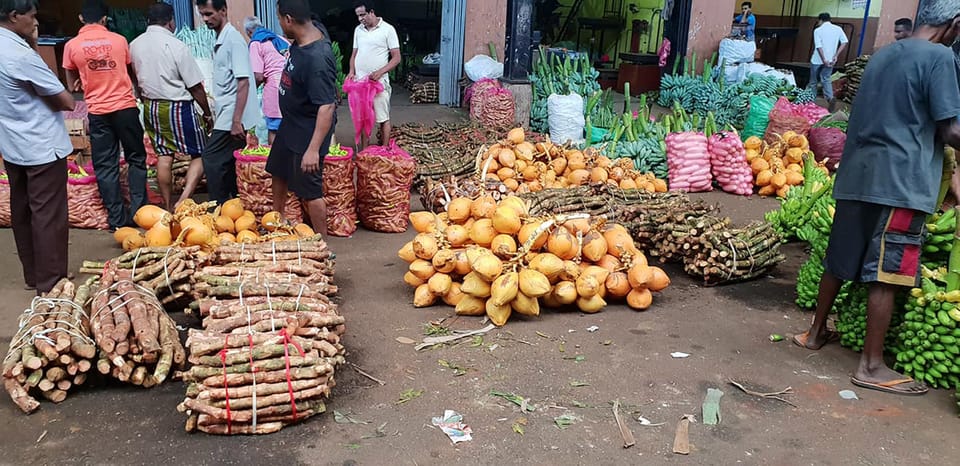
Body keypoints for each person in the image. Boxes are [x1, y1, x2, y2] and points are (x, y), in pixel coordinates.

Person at [794, 0, 960, 397]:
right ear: (955, 23)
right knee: (889, 267)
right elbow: (950, 129)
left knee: (841, 256)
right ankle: (871, 366)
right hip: (901, 179)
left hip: (857, 173)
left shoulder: (882, 55)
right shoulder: (940, 57)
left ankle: (815, 332)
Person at [0, 0, 74, 294]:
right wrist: (32, 44)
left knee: (23, 211)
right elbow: (66, 100)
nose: (35, 22)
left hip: (13, 142)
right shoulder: (20, 54)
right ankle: (51, 281)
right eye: (31, 16)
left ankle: (33, 274)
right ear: (15, 16)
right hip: (41, 144)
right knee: (48, 215)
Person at [63, 0, 147, 230]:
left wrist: (85, 80)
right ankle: (140, 214)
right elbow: (131, 73)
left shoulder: (72, 45)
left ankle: (117, 220)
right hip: (125, 108)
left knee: (105, 166)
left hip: (98, 112)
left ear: (81, 18)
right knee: (136, 159)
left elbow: (72, 86)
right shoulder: (120, 41)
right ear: (104, 19)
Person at [130, 2, 212, 211]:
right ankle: (184, 199)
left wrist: (142, 95)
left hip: (152, 107)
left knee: (164, 156)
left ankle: (166, 205)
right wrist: (207, 113)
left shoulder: (135, 44)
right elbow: (195, 87)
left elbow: (133, 76)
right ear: (170, 21)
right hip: (177, 107)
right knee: (200, 153)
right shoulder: (176, 45)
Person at [267, 0, 337, 237]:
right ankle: (278, 221)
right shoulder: (309, 28)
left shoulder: (316, 59)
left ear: (288, 19)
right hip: (290, 124)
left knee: (310, 189)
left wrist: (313, 149)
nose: (279, 24)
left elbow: (327, 106)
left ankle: (322, 245)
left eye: (279, 19)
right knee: (278, 170)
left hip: (309, 130)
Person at [196, 0, 261, 205]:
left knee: (211, 158)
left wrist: (236, 121)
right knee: (231, 160)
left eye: (209, 14)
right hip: (228, 112)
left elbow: (244, 83)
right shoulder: (222, 39)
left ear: (223, 10)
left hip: (233, 114)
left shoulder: (233, 41)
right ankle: (238, 203)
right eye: (202, 15)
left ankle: (219, 206)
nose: (205, 19)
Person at [347, 1, 400, 149]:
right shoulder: (358, 30)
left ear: (372, 12)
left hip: (379, 83)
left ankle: (384, 150)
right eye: (358, 16)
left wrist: (380, 72)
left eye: (362, 15)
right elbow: (354, 54)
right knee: (363, 118)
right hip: (360, 83)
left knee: (383, 118)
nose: (360, 19)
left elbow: (396, 57)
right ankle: (364, 152)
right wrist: (352, 71)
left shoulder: (388, 30)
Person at [244, 16, 289, 145]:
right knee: (290, 127)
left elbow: (258, 76)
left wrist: (249, 95)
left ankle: (275, 162)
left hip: (274, 88)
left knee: (274, 129)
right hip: (292, 87)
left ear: (249, 32)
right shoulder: (280, 39)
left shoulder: (256, 43)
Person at [807, 13, 848, 112]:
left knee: (813, 81)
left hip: (817, 59)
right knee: (826, 79)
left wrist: (823, 59)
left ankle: (811, 103)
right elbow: (844, 42)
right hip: (831, 60)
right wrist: (836, 56)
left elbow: (818, 46)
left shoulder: (818, 30)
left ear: (820, 20)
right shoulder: (838, 29)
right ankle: (830, 98)